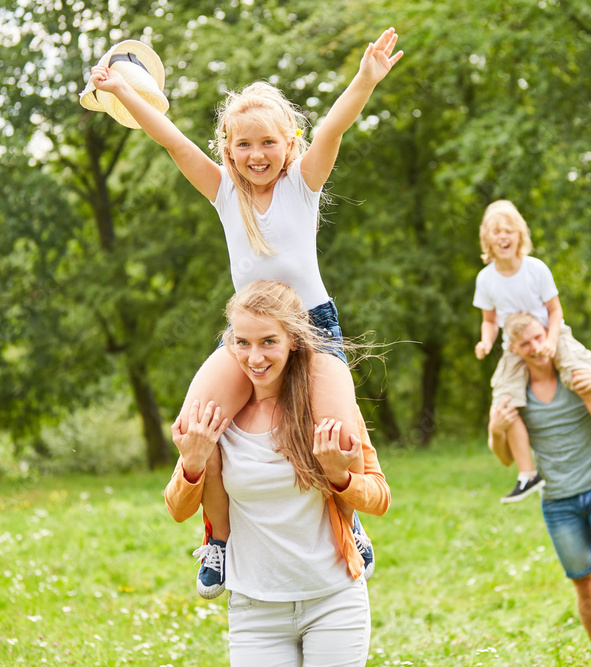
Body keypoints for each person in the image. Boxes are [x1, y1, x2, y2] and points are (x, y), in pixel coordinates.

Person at [88, 28, 403, 595]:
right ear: (228, 149)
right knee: (196, 424)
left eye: (268, 144)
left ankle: (350, 526)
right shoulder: (224, 194)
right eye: (243, 145)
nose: (256, 156)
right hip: (250, 334)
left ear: (288, 144)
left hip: (311, 329)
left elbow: (334, 126)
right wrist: (124, 93)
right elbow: (173, 141)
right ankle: (218, 541)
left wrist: (365, 78)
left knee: (335, 431)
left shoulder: (303, 186)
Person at [165, 280, 391, 666]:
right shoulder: (218, 419)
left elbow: (380, 498)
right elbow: (177, 508)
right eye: (242, 342)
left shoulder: (326, 410)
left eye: (268, 341)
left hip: (333, 599)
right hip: (255, 611)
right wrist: (193, 463)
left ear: (294, 340)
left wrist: (341, 477)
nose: (254, 357)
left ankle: (354, 536)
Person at [488, 311, 591, 664]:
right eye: (526, 343)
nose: (536, 348)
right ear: (515, 350)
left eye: (539, 337)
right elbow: (504, 458)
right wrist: (496, 429)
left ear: (548, 333)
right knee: (587, 586)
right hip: (558, 501)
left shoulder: (575, 369)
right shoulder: (515, 392)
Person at [473, 200, 591, 504]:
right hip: (516, 349)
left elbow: (555, 311)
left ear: (519, 235)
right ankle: (528, 474)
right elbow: (490, 321)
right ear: (486, 239)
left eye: (508, 230)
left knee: (582, 378)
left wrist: (552, 341)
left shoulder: (535, 269)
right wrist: (486, 341)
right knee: (506, 402)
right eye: (496, 231)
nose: (503, 236)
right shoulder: (486, 279)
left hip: (551, 335)